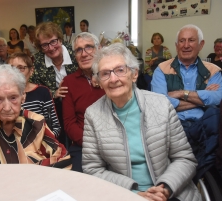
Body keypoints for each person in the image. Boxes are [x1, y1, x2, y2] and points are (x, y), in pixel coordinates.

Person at [83, 43, 201, 201]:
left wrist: (165, 188)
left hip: (170, 191)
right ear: (98, 81)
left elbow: (185, 158)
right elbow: (93, 169)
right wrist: (134, 194)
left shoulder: (161, 104)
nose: (113, 79)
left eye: (120, 70)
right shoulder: (93, 114)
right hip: (122, 194)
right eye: (105, 73)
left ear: (134, 74)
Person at [151, 24, 222, 181]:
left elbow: (218, 98)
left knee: (215, 115)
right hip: (174, 125)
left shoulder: (214, 70)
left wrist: (182, 93)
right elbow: (160, 101)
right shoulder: (162, 69)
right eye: (182, 41)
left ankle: (201, 179)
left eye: (191, 40)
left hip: (204, 126)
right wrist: (202, 100)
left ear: (201, 44)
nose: (186, 45)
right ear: (176, 46)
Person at [30, 21, 78, 145]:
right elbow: (34, 87)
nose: (51, 48)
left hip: (77, 103)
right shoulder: (38, 61)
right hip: (53, 107)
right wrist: (53, 93)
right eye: (45, 45)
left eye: (53, 42)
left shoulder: (75, 53)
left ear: (60, 40)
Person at [62, 32, 104, 172]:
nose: (84, 54)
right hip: (83, 146)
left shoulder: (111, 76)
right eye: (79, 50)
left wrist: (100, 75)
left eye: (88, 47)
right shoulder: (69, 82)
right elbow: (69, 124)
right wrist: (89, 143)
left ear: (98, 49)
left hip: (113, 144)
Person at [8, 52, 61, 137]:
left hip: (41, 144)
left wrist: (40, 143)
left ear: (31, 71)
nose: (16, 73)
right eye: (12, 69)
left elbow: (55, 127)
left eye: (21, 68)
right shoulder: (4, 95)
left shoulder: (42, 92)